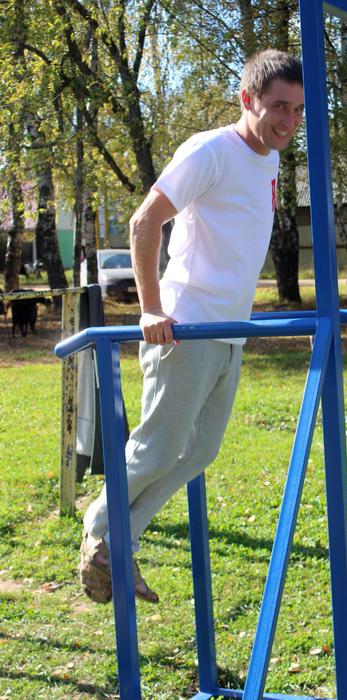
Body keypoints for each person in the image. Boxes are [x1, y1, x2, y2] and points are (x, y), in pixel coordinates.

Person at [79, 48, 305, 604]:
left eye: (299, 109)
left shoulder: (268, 159)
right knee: (157, 450)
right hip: (187, 327)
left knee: (200, 451)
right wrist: (151, 308)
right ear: (247, 99)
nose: (289, 120)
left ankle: (116, 543)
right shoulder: (211, 150)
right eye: (279, 106)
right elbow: (145, 220)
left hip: (230, 332)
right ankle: (99, 527)